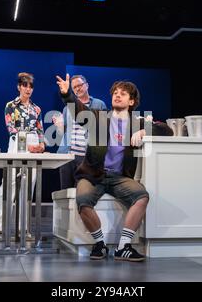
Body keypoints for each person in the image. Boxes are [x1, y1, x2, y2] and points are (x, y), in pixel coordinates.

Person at [56, 74, 172, 262]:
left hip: (120, 178)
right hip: (93, 175)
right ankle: (99, 244)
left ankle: (123, 247)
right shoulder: (99, 118)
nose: (117, 96)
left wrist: (145, 130)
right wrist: (67, 94)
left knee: (141, 196)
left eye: (123, 94)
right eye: (115, 93)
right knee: (83, 198)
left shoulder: (137, 123)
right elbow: (78, 110)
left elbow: (167, 129)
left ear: (132, 101)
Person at [0, 72, 45, 236]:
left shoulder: (36, 108)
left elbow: (40, 130)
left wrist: (41, 145)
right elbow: (10, 128)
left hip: (33, 145)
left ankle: (23, 227)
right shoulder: (11, 105)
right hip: (17, 142)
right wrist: (27, 143)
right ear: (19, 86)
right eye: (25, 85)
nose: (28, 89)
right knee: (8, 183)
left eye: (31, 86)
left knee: (28, 186)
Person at [53, 75, 107, 189]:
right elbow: (64, 133)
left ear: (87, 85)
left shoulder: (99, 104)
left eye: (79, 85)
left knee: (81, 192)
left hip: (86, 157)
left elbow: (102, 132)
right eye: (74, 87)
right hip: (68, 155)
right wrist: (59, 126)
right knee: (65, 193)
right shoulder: (67, 108)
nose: (77, 88)